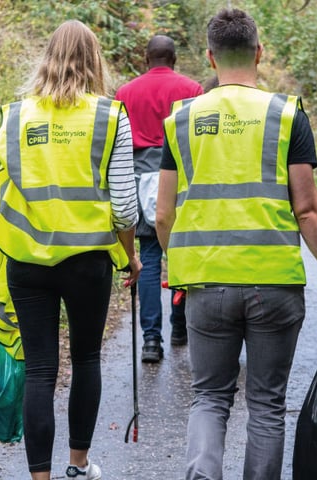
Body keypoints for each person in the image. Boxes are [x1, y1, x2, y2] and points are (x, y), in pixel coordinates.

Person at [155, 9, 317, 480]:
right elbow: (308, 209)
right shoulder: (285, 114)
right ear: (259, 53)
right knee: (267, 405)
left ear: (210, 58)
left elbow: (163, 214)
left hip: (207, 283)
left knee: (210, 396)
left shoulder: (182, 119)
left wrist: (179, 266)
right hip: (273, 284)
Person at [0, 20, 141, 480]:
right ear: (95, 60)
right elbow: (125, 206)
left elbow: (7, 181)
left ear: (46, 57)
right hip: (87, 260)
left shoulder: (16, 116)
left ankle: (39, 478)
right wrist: (130, 255)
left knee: (41, 370)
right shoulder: (110, 115)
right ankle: (78, 466)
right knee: (86, 358)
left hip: (27, 261)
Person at [114, 35, 203, 362]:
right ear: (174, 58)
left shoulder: (125, 93)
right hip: (177, 179)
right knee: (182, 254)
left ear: (146, 58)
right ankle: (180, 327)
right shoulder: (192, 90)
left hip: (138, 179)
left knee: (149, 261)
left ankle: (151, 340)